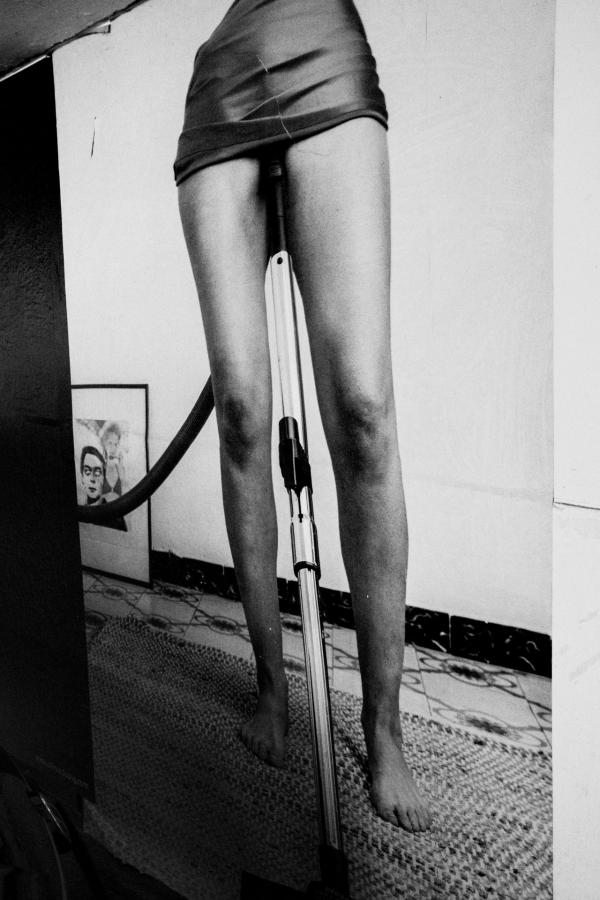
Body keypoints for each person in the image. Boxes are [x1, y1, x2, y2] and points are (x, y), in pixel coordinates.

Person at [175, 0, 431, 833]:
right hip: (221, 85)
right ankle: (270, 688)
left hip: (322, 42)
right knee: (242, 411)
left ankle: (383, 729)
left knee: (363, 408)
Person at [79, 446, 128, 532]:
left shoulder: (115, 519)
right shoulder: (79, 514)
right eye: (87, 471)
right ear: (82, 477)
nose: (92, 478)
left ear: (104, 477)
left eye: (97, 472)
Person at [100, 422, 128, 502]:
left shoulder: (120, 467)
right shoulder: (100, 467)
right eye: (110, 443)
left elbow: (126, 494)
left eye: (116, 444)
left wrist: (121, 465)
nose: (113, 448)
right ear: (104, 443)